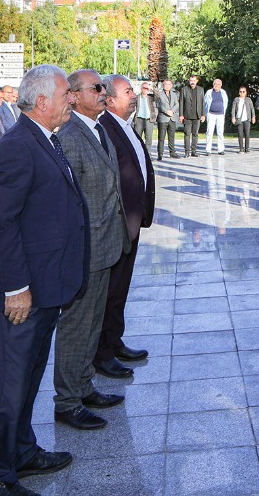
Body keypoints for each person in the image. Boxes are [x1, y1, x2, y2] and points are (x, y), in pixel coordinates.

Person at [0, 64, 86, 495]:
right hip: (18, 292)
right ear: (41, 102)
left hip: (44, 287)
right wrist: (16, 288)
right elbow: (1, 225)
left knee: (25, 382)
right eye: (65, 95)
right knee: (5, 390)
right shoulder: (18, 146)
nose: (71, 100)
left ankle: (21, 452)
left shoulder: (45, 139)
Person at [51, 69, 128, 431]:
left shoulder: (97, 128)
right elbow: (66, 201)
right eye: (97, 88)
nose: (104, 92)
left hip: (106, 243)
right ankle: (67, 400)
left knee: (93, 321)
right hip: (85, 248)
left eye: (104, 87)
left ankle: (83, 386)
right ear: (75, 94)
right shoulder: (68, 134)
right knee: (77, 324)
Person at [95, 76, 154, 380]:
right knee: (110, 290)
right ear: (110, 99)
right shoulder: (105, 127)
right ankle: (102, 354)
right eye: (128, 91)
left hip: (130, 222)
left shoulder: (125, 125)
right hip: (116, 224)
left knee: (120, 290)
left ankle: (114, 341)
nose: (134, 96)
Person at [178, 75, 203, 158]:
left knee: (195, 134)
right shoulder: (184, 90)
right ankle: (187, 152)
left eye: (194, 80)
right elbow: (181, 103)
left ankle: (194, 151)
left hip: (197, 115)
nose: (192, 82)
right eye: (191, 80)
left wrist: (203, 115)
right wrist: (181, 115)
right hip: (187, 115)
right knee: (187, 134)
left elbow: (203, 103)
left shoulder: (200, 90)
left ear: (197, 81)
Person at [154, 79, 179, 161]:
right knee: (161, 138)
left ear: (171, 86)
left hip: (172, 118)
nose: (167, 86)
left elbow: (177, 104)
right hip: (163, 118)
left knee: (171, 137)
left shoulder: (174, 94)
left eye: (169, 84)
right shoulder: (159, 94)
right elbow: (158, 104)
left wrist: (172, 111)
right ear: (163, 85)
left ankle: (172, 152)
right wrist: (166, 111)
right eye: (165, 84)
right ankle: (160, 154)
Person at [231, 85, 256, 154]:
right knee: (240, 134)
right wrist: (233, 117)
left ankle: (247, 148)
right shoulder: (236, 99)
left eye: (243, 91)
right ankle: (241, 148)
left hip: (247, 119)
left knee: (247, 134)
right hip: (239, 119)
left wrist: (253, 117)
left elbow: (252, 108)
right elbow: (233, 108)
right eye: (240, 91)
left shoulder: (248, 99)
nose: (242, 93)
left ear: (246, 92)